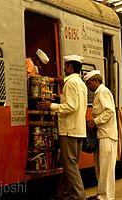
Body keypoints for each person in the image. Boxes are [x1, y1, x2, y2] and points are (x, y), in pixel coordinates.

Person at [37, 54, 87, 200]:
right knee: (70, 164)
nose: (64, 69)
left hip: (69, 130)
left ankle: (79, 196)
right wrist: (59, 97)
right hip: (78, 129)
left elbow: (71, 106)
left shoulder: (70, 83)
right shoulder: (81, 83)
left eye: (65, 66)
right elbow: (76, 103)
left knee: (70, 165)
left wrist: (51, 105)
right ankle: (63, 195)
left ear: (70, 67)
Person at [83, 70, 118, 200]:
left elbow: (110, 111)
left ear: (96, 81)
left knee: (106, 169)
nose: (88, 87)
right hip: (102, 135)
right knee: (101, 167)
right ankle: (101, 194)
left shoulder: (102, 92)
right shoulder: (100, 93)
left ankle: (106, 196)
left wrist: (95, 121)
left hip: (107, 135)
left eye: (89, 83)